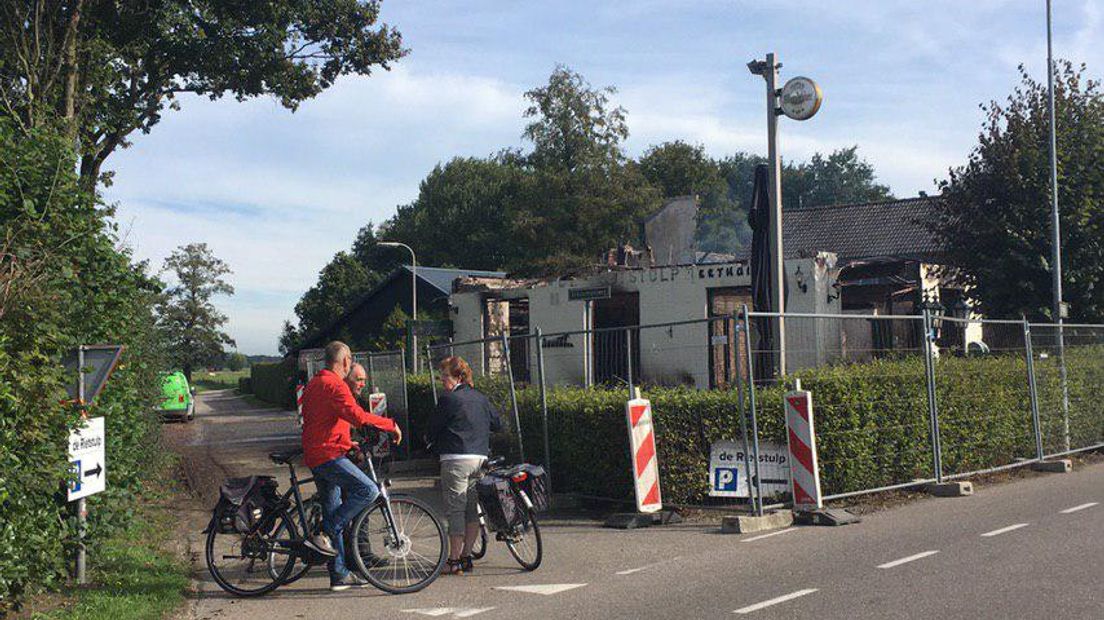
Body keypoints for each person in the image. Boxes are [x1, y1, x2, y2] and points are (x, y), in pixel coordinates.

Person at [301, 341, 402, 591]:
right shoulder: (335, 384)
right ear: (345, 361)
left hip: (318, 453)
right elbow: (357, 416)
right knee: (368, 491)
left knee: (333, 508)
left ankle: (339, 575)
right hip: (328, 456)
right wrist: (389, 424)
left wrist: (349, 444)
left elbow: (326, 421)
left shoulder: (314, 383)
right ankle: (323, 533)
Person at [425, 356, 503, 575]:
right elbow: (497, 425)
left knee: (455, 510)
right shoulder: (481, 398)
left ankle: (453, 560)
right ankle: (467, 556)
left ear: (458, 377)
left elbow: (432, 429)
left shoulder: (448, 400)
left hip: (455, 459)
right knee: (471, 510)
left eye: (445, 377)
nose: (443, 381)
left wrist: (430, 441)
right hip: (479, 459)